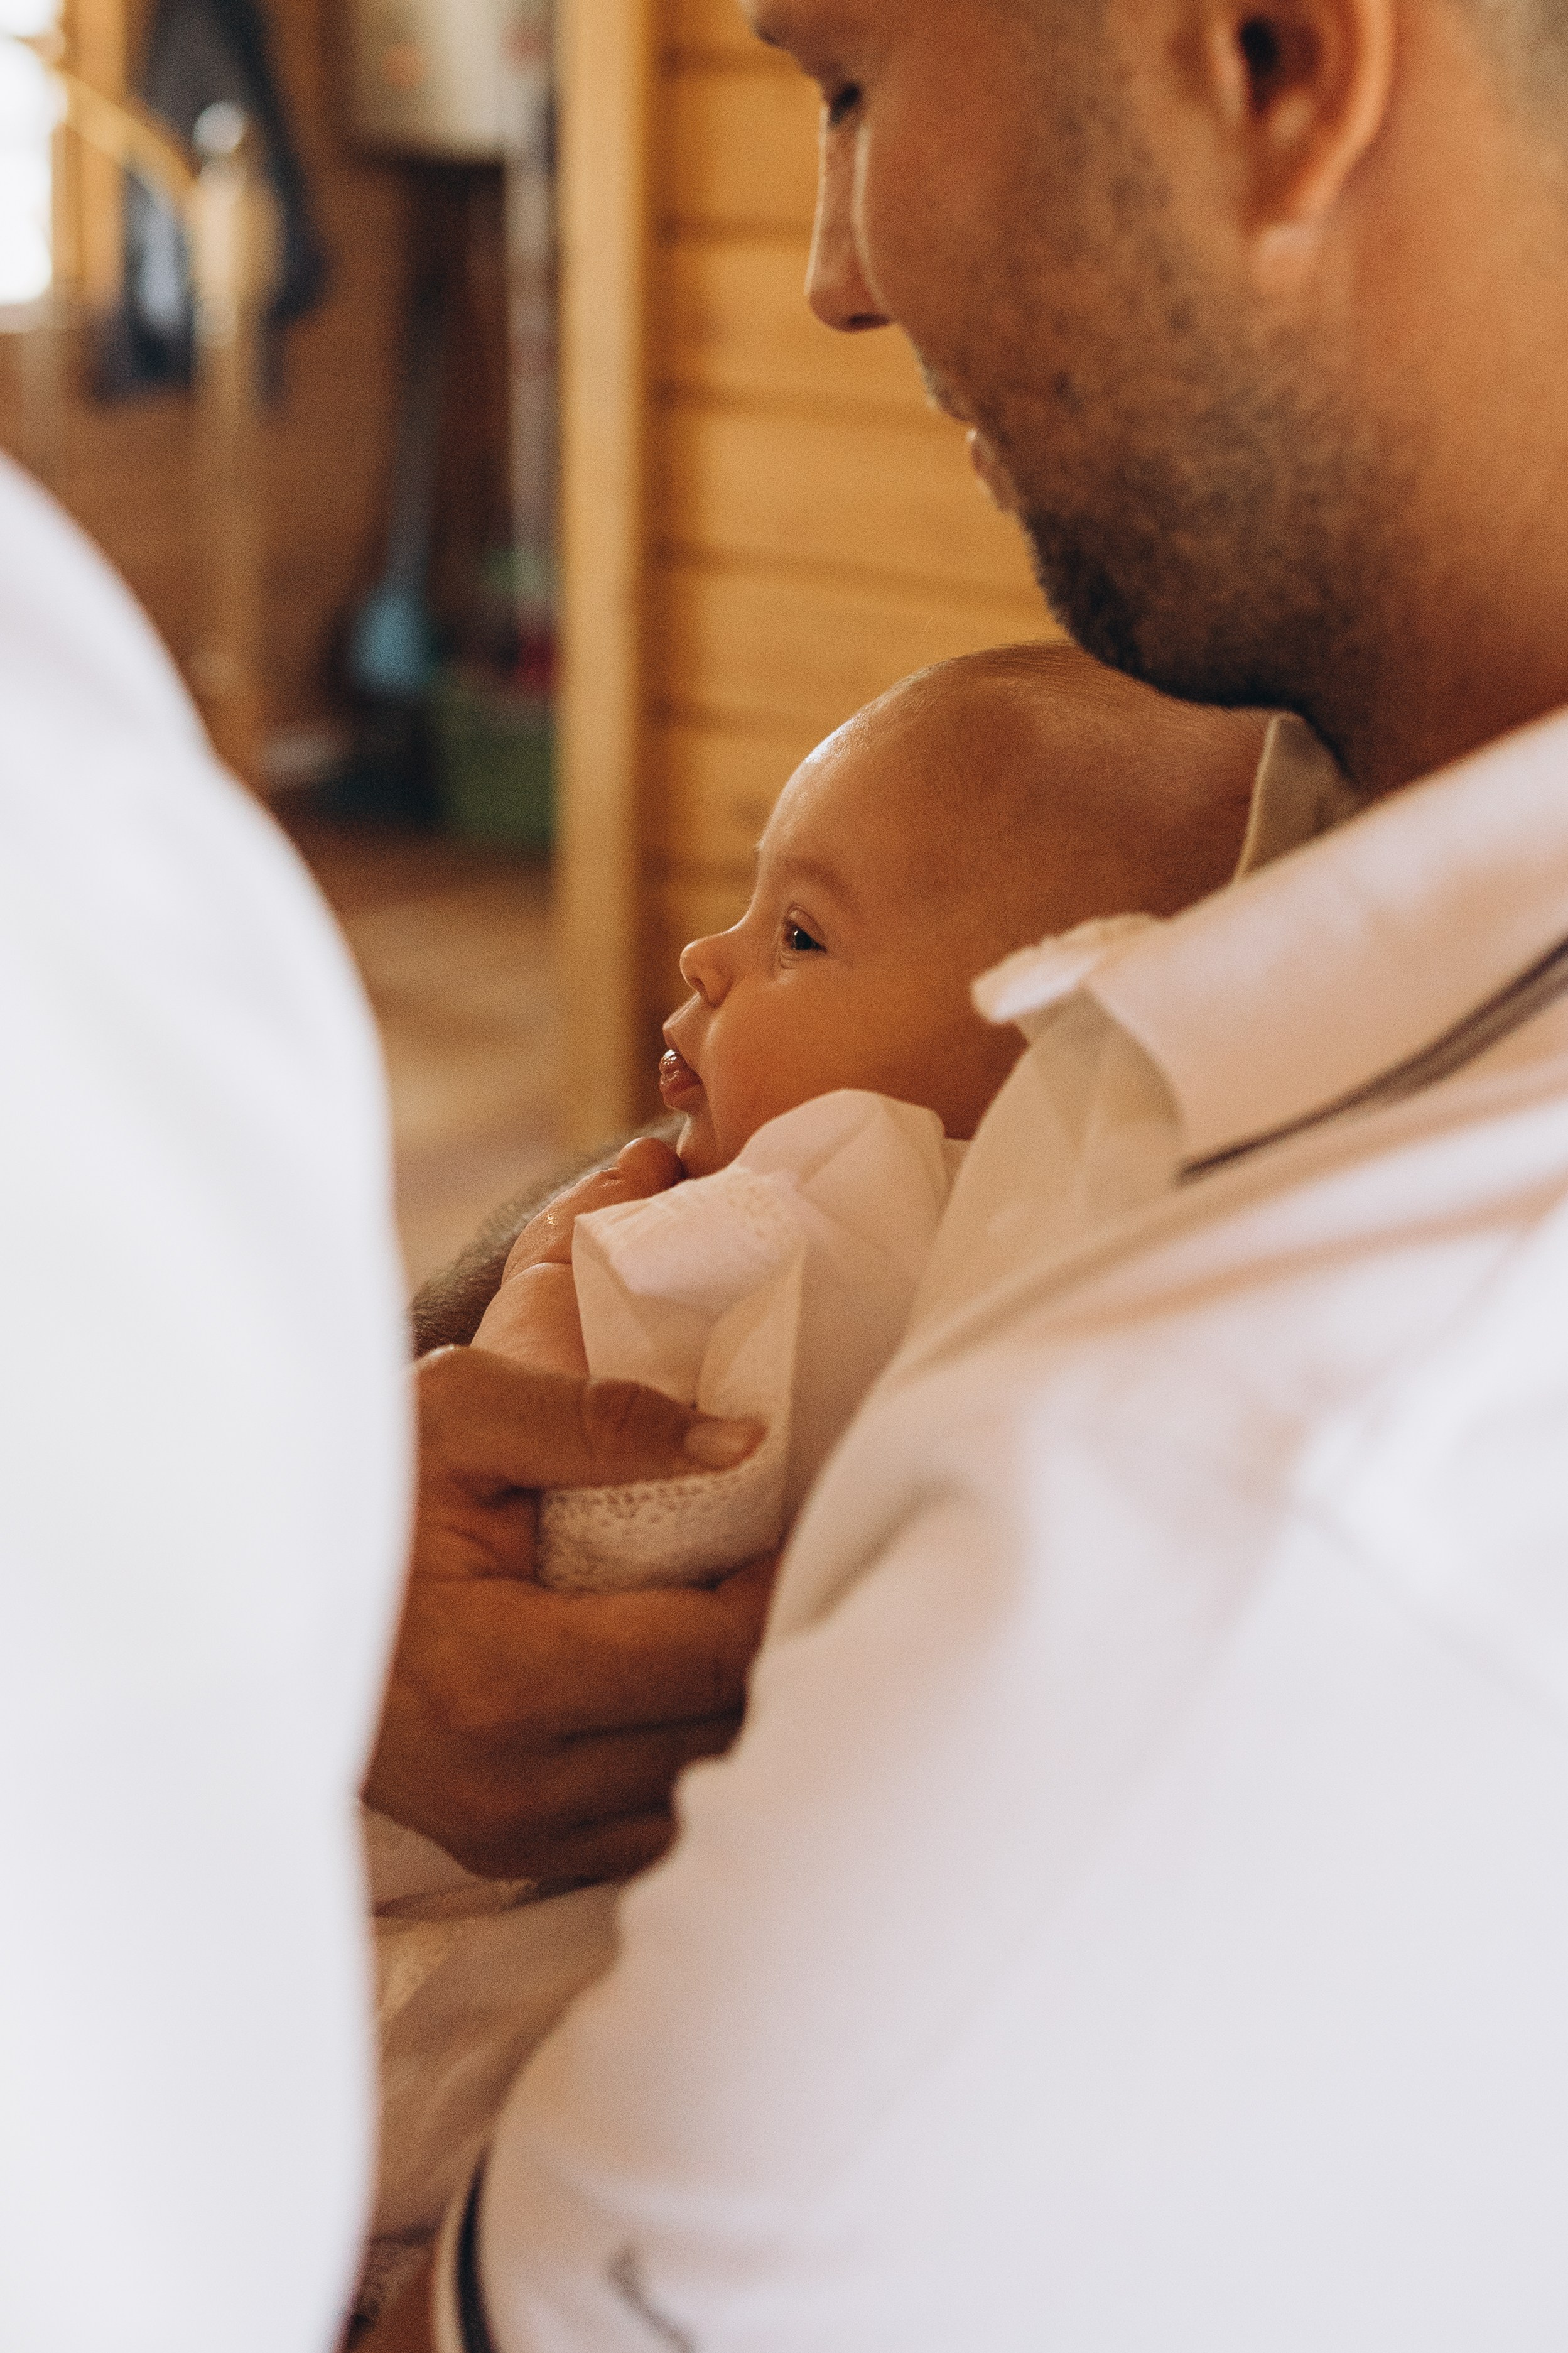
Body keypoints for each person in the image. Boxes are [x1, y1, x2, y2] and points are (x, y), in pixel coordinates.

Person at [360, 0, 1568, 2345]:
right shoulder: (1290, 910)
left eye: (847, 86)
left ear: (1272, 58)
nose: (836, 267)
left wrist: (228, 1679)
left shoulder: (1205, 1503)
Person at [359, 644, 1263, 2307]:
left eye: (797, 934)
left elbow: (644, 1511)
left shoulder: (814, 1223)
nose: (709, 955)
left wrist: (577, 1317)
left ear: (1033, 1058)